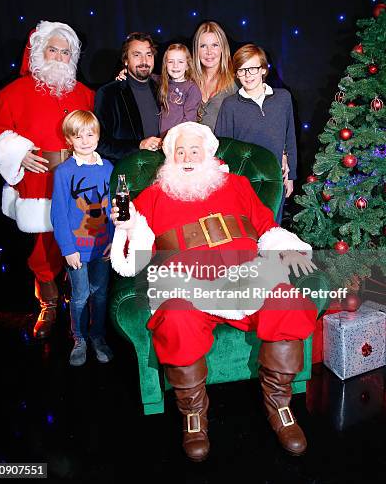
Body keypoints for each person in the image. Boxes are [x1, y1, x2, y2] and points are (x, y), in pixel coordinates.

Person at [110, 122, 317, 462]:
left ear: (208, 153)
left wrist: (286, 248)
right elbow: (135, 257)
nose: (188, 157)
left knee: (288, 302)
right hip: (187, 283)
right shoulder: (152, 196)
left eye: (194, 150)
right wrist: (127, 227)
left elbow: (267, 228)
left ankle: (279, 405)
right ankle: (194, 415)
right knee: (175, 318)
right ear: (170, 158)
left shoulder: (236, 185)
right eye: (180, 151)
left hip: (245, 276)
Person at [0, 21, 95, 339]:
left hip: (78, 183)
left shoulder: (85, 93)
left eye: (65, 51)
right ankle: (49, 302)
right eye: (53, 49)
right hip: (39, 183)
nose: (59, 56)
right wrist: (18, 153)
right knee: (43, 251)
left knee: (79, 246)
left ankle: (78, 303)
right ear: (39, 52)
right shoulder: (13, 92)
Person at [51, 111, 114, 366]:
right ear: (69, 140)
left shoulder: (108, 168)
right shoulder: (64, 173)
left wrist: (113, 240)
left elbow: (111, 209)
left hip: (103, 247)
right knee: (80, 295)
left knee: (100, 294)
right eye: (79, 136)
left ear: (98, 136)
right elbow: (59, 214)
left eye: (90, 134)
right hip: (77, 250)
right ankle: (79, 338)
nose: (86, 141)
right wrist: (68, 248)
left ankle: (97, 336)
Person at [215, 44, 297, 223]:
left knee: (272, 229)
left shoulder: (283, 98)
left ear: (263, 70)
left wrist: (291, 176)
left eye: (252, 69)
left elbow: (290, 138)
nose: (247, 75)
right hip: (244, 182)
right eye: (242, 70)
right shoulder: (230, 105)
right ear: (236, 74)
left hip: (274, 179)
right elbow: (222, 148)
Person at [94, 32, 162, 162]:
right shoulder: (108, 93)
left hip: (162, 171)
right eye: (137, 55)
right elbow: (100, 143)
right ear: (126, 60)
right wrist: (139, 145)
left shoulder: (162, 90)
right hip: (127, 173)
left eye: (149, 55)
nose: (144, 61)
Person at [192, 21, 237, 131]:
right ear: (196, 50)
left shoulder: (236, 82)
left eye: (215, 45)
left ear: (223, 48)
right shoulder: (188, 81)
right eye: (203, 46)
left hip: (225, 147)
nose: (209, 52)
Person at [157, 43, 202, 137]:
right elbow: (143, 77)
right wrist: (125, 72)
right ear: (165, 65)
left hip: (179, 139)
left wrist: (174, 137)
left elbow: (189, 120)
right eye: (170, 62)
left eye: (180, 62)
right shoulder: (162, 82)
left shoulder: (191, 88)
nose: (175, 66)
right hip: (160, 139)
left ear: (187, 66)